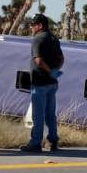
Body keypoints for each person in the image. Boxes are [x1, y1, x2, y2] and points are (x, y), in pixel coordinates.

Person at [21, 14, 64, 153]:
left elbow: (38, 60)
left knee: (38, 115)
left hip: (40, 82)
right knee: (50, 114)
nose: (30, 27)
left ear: (40, 26)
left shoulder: (38, 39)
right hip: (52, 83)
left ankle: (35, 143)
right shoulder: (54, 38)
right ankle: (53, 141)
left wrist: (49, 71)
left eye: (33, 25)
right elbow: (62, 58)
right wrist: (55, 71)